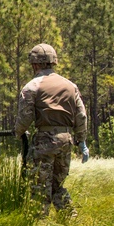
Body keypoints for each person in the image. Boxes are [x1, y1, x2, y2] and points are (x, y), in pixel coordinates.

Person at [15, 43, 88, 216]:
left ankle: (38, 225)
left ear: (35, 64)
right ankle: (71, 220)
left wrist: (17, 133)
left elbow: (25, 117)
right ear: (53, 62)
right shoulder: (70, 86)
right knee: (56, 185)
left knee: (40, 187)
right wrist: (82, 140)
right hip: (66, 140)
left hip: (44, 141)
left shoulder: (32, 87)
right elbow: (81, 116)